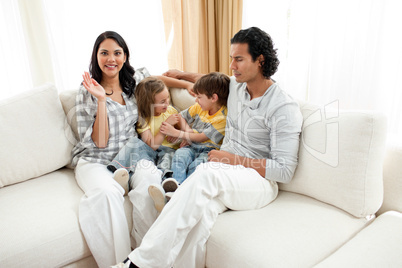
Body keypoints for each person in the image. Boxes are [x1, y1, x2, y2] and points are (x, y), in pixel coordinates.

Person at [113, 26, 303, 268]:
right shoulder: (235, 88)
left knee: (205, 173)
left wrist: (231, 159)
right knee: (199, 217)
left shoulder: (283, 107)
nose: (232, 66)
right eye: (231, 58)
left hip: (259, 181)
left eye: (239, 59)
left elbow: (285, 171)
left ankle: (137, 263)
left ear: (260, 61)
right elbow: (207, 80)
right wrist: (182, 74)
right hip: (226, 172)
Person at [71, 31, 192, 268]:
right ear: (96, 56)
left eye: (117, 53)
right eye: (104, 53)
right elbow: (101, 141)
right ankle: (119, 264)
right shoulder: (88, 91)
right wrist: (102, 100)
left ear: (125, 56)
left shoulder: (133, 82)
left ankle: (147, 261)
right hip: (96, 160)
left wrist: (188, 84)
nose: (111, 59)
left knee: (150, 182)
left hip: (133, 155)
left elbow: (158, 79)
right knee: (107, 195)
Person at [107, 76, 182, 211]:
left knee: (169, 157)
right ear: (149, 103)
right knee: (135, 143)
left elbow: (184, 132)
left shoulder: (171, 112)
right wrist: (165, 129)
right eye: (162, 101)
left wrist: (177, 135)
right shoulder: (143, 118)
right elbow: (151, 145)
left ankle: (167, 188)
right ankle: (122, 175)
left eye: (168, 99)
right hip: (151, 152)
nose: (167, 104)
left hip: (169, 151)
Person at [159, 71, 230, 187]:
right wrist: (188, 132)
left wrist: (177, 133)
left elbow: (202, 137)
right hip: (191, 145)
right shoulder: (200, 107)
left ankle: (187, 190)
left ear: (213, 98)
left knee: (197, 166)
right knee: (180, 156)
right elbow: (180, 116)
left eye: (199, 97)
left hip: (209, 151)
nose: (196, 100)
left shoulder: (223, 117)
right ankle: (176, 185)